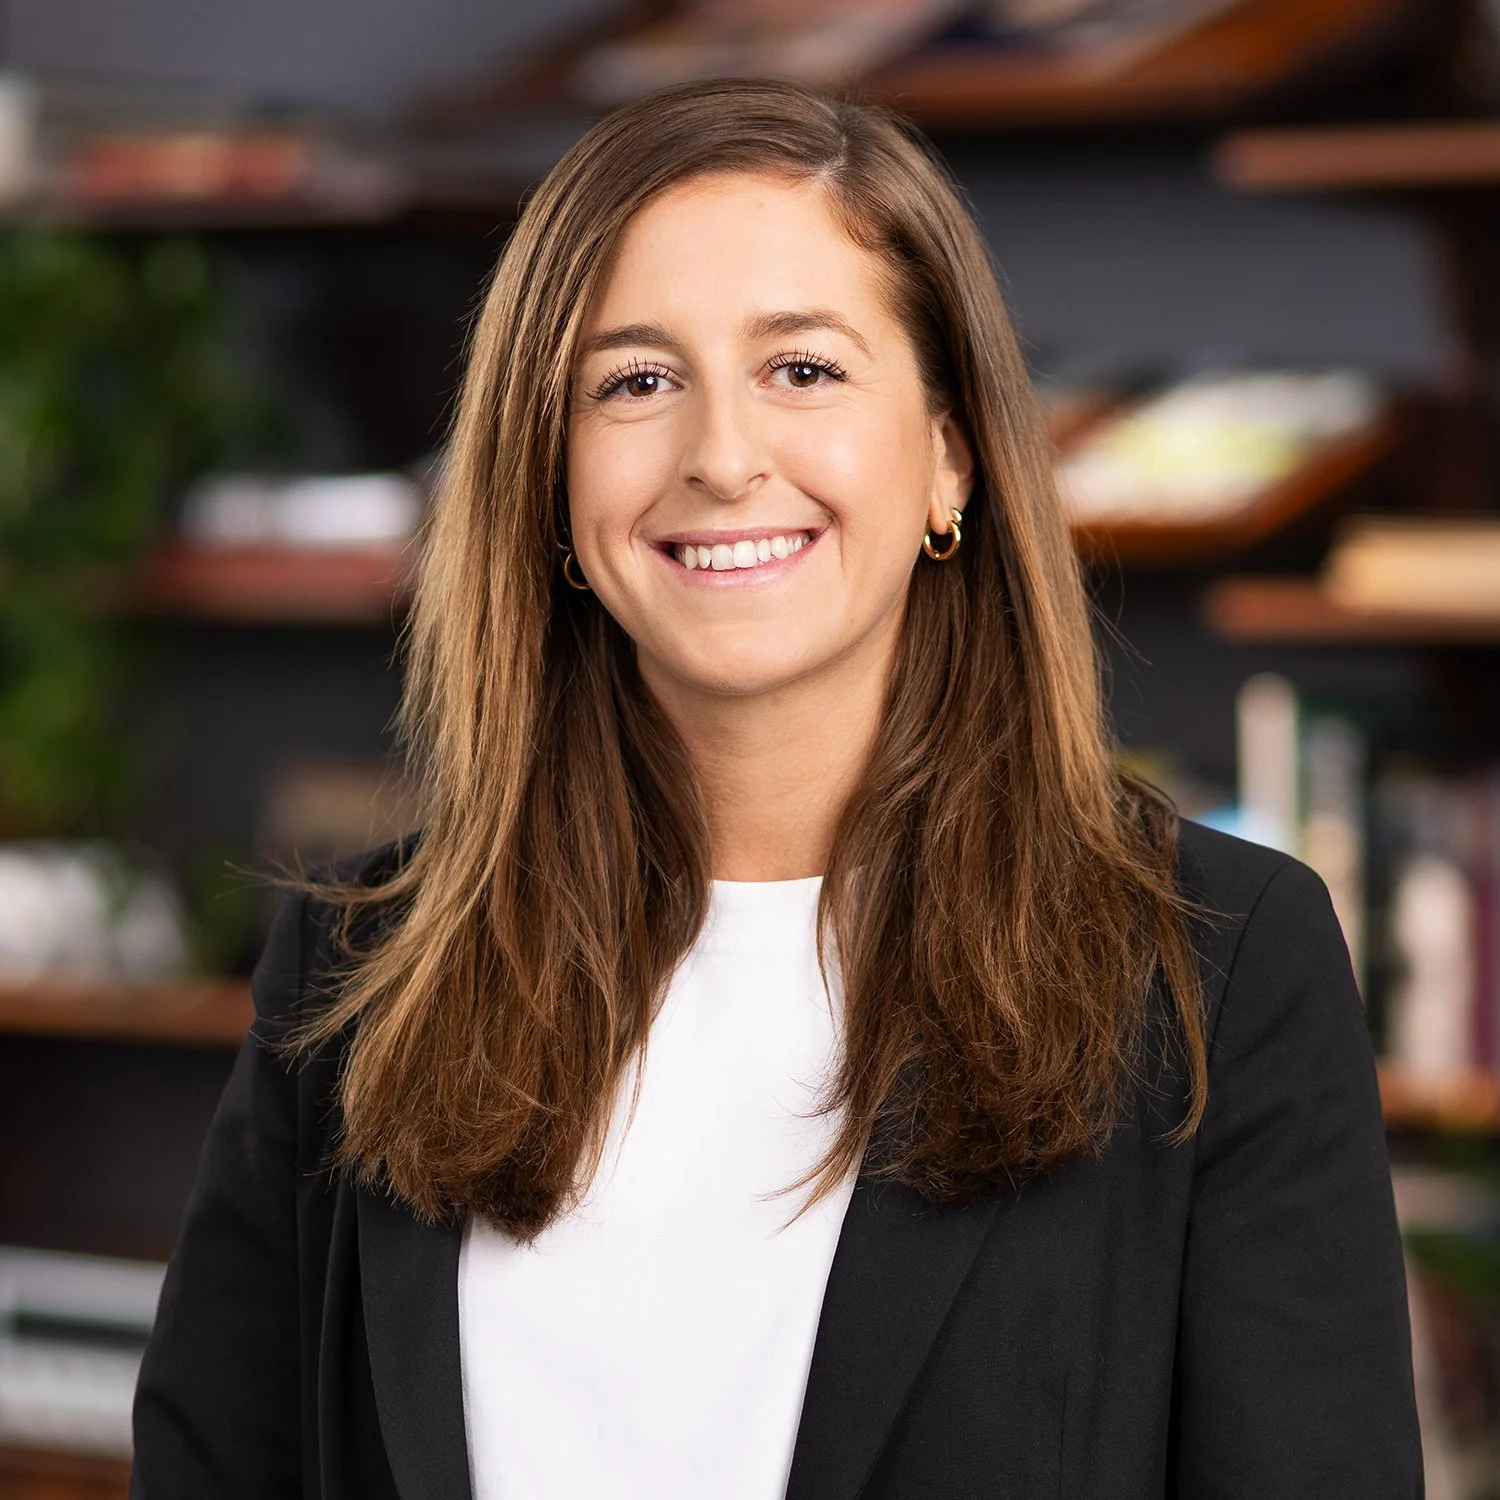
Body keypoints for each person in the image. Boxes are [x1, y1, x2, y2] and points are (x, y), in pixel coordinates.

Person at [130, 77, 1422, 1499]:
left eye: (802, 369)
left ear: (951, 453)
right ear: (551, 484)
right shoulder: (360, 973)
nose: (722, 458)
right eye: (635, 382)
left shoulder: (1221, 971)